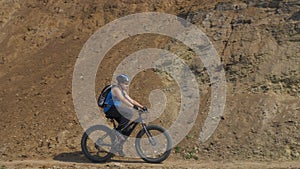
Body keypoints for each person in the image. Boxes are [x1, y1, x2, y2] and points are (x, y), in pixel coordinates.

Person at [103, 74, 147, 156]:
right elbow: (122, 99)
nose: (127, 85)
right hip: (110, 109)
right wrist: (133, 107)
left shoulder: (123, 91)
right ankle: (117, 131)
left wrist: (142, 107)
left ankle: (119, 146)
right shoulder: (116, 89)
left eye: (127, 83)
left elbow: (131, 100)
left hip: (116, 109)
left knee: (127, 129)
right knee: (129, 112)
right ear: (120, 83)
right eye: (125, 83)